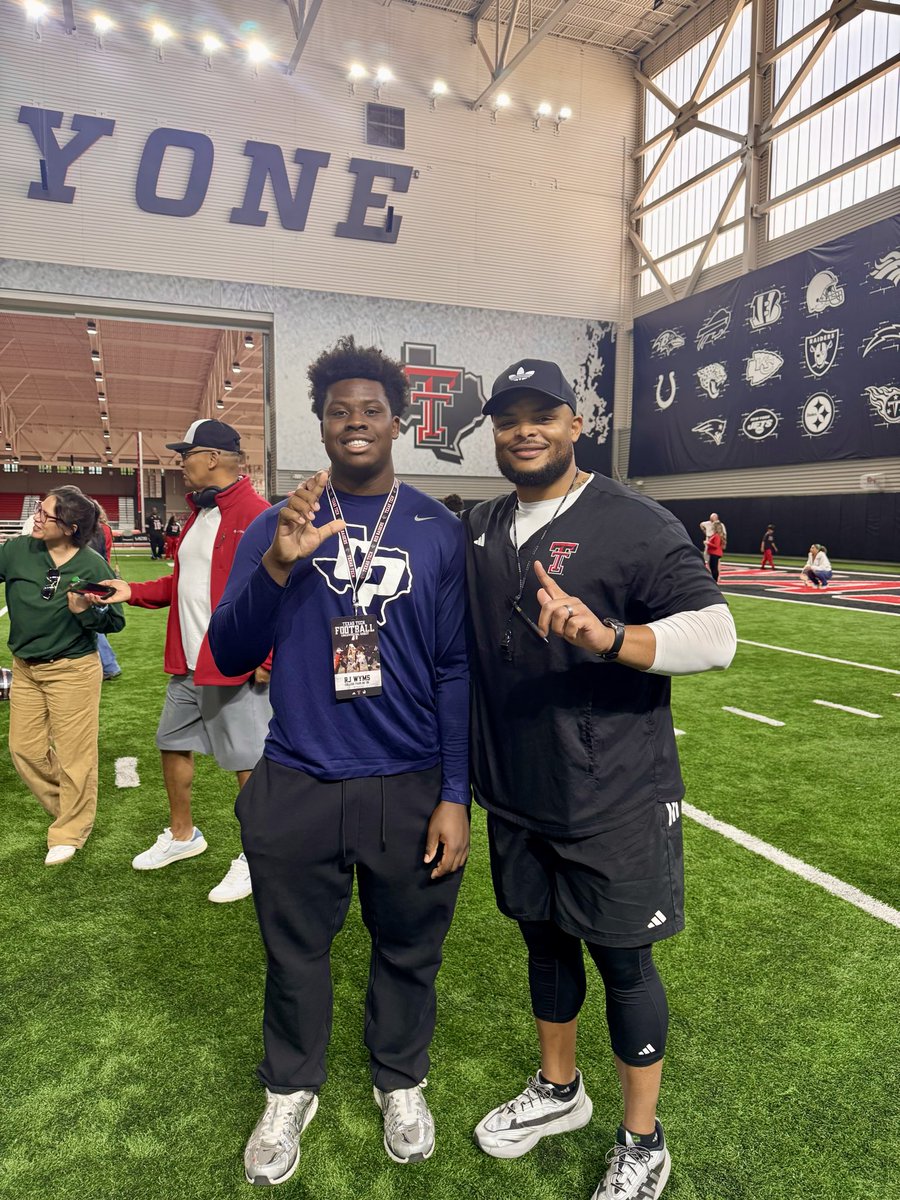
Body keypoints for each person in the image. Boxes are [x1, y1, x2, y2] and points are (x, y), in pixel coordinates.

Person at [463, 359, 736, 1200]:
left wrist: (614, 637)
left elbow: (717, 634)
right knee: (543, 945)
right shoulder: (481, 526)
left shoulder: (634, 521)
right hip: (517, 793)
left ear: (575, 423)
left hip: (614, 795)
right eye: (508, 418)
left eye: (541, 414)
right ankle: (559, 1091)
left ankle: (643, 1141)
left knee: (626, 966)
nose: (524, 431)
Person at [207, 335, 469, 1187]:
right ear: (319, 425)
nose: (354, 423)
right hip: (300, 778)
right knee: (294, 952)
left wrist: (457, 793)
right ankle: (291, 1088)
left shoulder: (436, 528)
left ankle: (401, 1079)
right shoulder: (278, 523)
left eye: (370, 410)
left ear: (398, 422)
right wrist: (280, 562)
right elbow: (232, 648)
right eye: (337, 412)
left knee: (409, 950)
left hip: (408, 781)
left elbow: (456, 667)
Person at [95, 421, 271, 903]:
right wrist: (130, 591)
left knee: (248, 762)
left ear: (213, 457)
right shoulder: (198, 516)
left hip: (234, 662)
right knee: (171, 744)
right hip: (189, 662)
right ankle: (182, 835)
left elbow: (282, 592)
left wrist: (268, 655)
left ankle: (258, 854)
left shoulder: (258, 514)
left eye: (186, 454)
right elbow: (183, 585)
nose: (180, 462)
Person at [0, 487, 125, 864]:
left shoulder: (91, 566)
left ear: (70, 527)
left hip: (71, 669)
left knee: (75, 756)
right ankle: (74, 809)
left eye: (45, 513)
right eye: (38, 509)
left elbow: (115, 621)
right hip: (25, 667)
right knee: (25, 750)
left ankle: (69, 829)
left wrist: (84, 612)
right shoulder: (18, 550)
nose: (36, 516)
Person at [89, 507, 122, 680]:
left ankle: (108, 664)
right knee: (99, 616)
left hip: (93, 574)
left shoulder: (90, 529)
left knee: (90, 618)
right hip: (105, 572)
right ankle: (105, 662)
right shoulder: (106, 529)